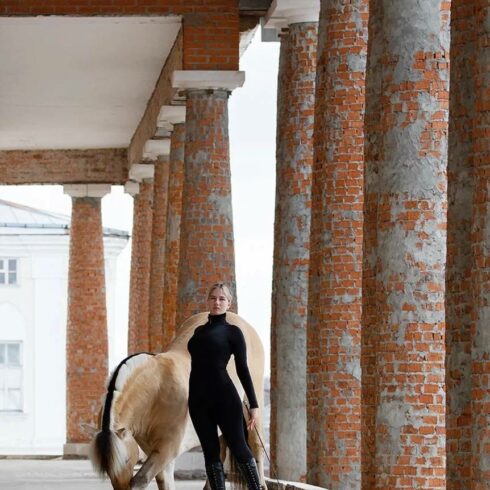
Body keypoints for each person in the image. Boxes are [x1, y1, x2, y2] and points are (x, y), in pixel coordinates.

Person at [187, 283, 262, 490]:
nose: (217, 302)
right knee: (210, 454)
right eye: (213, 298)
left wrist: (254, 405)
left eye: (222, 299)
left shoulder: (233, 332)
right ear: (208, 301)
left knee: (239, 448)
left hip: (224, 398)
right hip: (198, 401)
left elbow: (243, 369)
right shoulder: (198, 331)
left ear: (229, 304)